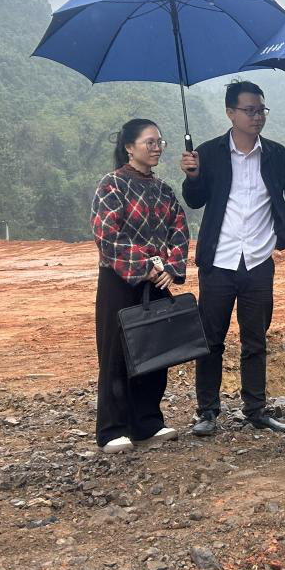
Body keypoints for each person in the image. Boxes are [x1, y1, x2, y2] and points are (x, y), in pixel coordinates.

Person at [180, 82, 285, 435]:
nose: (257, 117)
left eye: (261, 110)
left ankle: (255, 409)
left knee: (255, 340)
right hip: (218, 261)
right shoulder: (209, 153)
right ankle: (207, 412)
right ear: (230, 113)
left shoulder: (277, 155)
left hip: (258, 261)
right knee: (211, 340)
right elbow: (194, 200)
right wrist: (192, 176)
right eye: (249, 110)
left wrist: (283, 233)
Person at [91, 119, 190, 454]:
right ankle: (112, 429)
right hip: (119, 281)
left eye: (160, 141)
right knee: (116, 354)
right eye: (150, 142)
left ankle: (147, 424)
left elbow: (180, 230)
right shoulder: (112, 185)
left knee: (155, 351)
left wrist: (172, 268)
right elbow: (107, 235)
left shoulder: (164, 190)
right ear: (129, 147)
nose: (157, 147)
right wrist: (147, 266)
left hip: (158, 278)